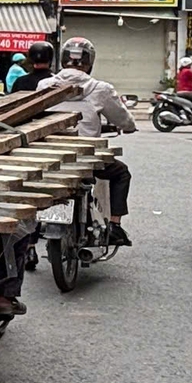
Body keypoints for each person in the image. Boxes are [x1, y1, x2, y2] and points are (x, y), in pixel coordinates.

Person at [48, 36, 137, 246]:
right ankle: (115, 225)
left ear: (62, 60)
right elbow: (123, 119)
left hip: (50, 155)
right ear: (89, 62)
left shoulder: (45, 84)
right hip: (85, 158)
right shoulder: (100, 88)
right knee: (121, 173)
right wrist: (129, 127)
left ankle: (32, 239)